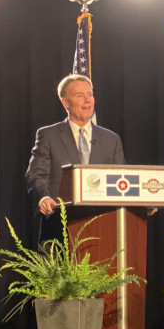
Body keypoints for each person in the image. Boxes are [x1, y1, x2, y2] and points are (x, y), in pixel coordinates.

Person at [25, 74, 125, 243]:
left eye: (90, 94)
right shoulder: (48, 135)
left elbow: (122, 181)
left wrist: (143, 205)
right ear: (65, 102)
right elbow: (36, 175)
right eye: (79, 96)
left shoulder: (111, 139)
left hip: (103, 230)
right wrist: (43, 197)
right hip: (58, 228)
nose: (87, 100)